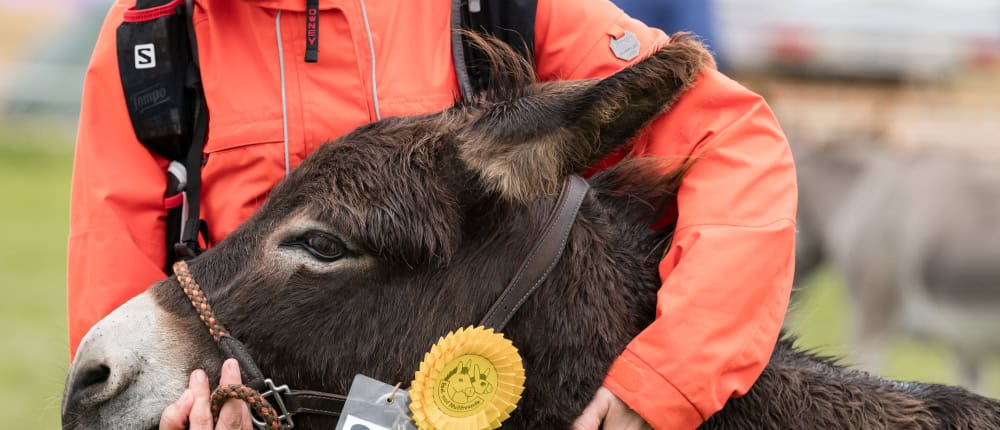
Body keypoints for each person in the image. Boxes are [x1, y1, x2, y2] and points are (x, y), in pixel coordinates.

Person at [68, 0, 797, 428]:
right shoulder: (153, 43)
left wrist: (668, 380)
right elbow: (115, 291)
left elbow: (731, 143)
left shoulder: (498, 4)